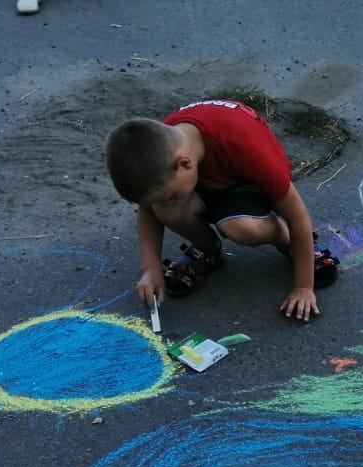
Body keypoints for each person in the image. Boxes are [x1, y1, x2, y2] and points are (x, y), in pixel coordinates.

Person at [105, 99, 339, 323]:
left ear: (184, 163)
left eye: (172, 194)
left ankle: (285, 240)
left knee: (241, 228)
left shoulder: (244, 146)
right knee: (166, 209)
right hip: (205, 180)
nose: (169, 200)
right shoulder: (158, 153)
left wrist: (303, 287)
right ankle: (207, 250)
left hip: (241, 184)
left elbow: (297, 215)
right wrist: (151, 269)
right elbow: (148, 212)